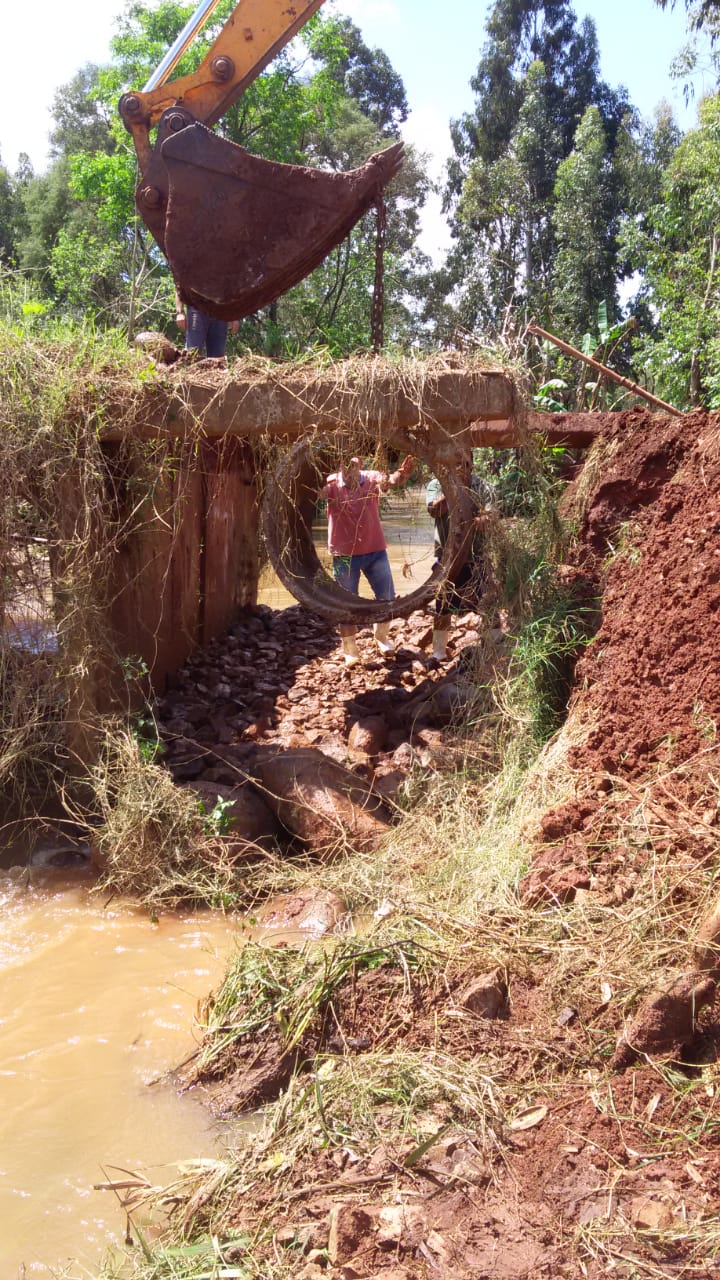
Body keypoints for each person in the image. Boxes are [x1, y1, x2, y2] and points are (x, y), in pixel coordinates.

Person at [320, 454, 416, 666]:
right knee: (345, 603)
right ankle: (350, 649)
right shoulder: (332, 483)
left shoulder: (372, 478)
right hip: (344, 556)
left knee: (387, 597)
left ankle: (381, 637)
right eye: (345, 464)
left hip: (374, 551)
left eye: (353, 464)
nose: (349, 469)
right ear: (339, 465)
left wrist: (402, 474)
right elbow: (317, 494)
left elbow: (389, 482)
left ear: (360, 464)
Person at [426, 451, 495, 662]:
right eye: (456, 464)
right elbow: (433, 511)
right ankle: (439, 650)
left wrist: (484, 520)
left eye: (466, 463)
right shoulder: (435, 485)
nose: (461, 468)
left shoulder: (484, 487)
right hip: (447, 558)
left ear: (472, 464)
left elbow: (492, 514)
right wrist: (453, 490)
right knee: (443, 603)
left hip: (476, 556)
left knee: (486, 602)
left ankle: (490, 646)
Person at [175, 290, 239, 357]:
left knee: (217, 358)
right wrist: (180, 312)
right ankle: (186, 366)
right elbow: (180, 286)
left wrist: (234, 316)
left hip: (220, 312)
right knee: (192, 352)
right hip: (197, 309)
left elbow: (231, 288)